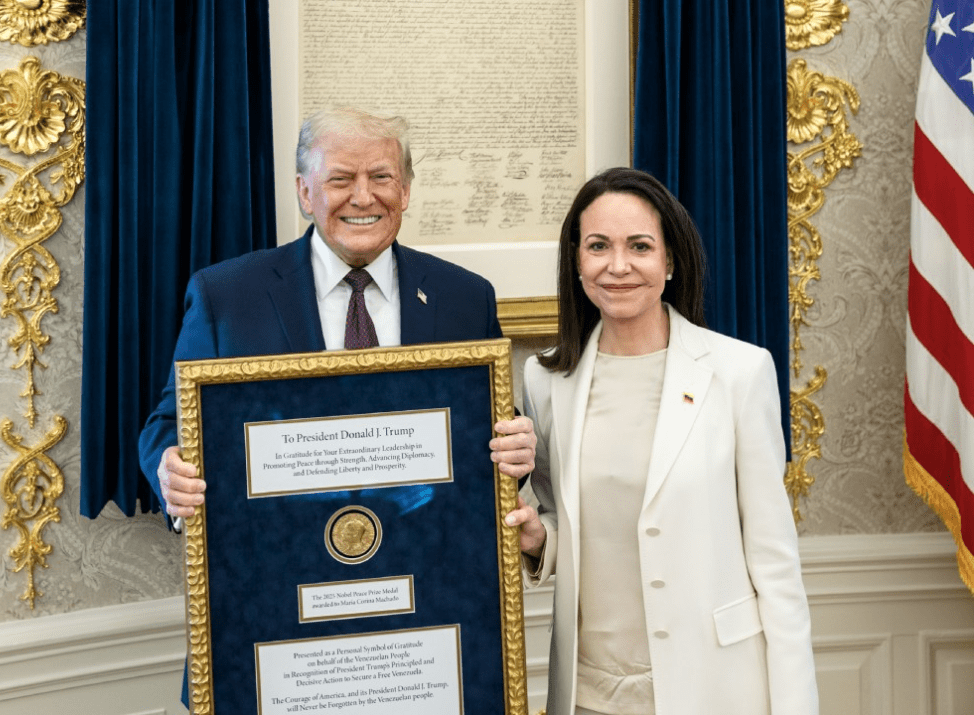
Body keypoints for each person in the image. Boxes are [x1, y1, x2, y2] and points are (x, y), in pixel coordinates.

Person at [505, 168, 818, 715]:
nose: (618, 265)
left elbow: (774, 561)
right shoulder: (545, 379)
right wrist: (537, 538)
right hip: (586, 693)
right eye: (598, 246)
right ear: (577, 261)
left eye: (640, 247)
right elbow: (564, 519)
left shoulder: (740, 372)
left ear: (670, 261)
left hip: (714, 686)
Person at [139, 107, 534, 519]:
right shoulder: (226, 297)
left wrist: (516, 447)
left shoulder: (466, 298)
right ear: (305, 193)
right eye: (341, 179)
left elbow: (489, 428)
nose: (363, 197)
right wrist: (169, 470)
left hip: (427, 554)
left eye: (381, 177)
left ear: (405, 191)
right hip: (279, 556)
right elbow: (170, 423)